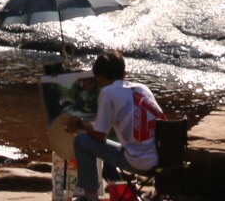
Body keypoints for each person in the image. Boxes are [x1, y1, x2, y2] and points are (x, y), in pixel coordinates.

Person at [66, 47, 162, 200]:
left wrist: (80, 123)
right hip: (163, 159)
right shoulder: (142, 88)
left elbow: (99, 136)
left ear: (101, 78)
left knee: (82, 141)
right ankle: (158, 192)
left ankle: (89, 196)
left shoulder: (108, 92)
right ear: (123, 73)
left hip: (138, 162)